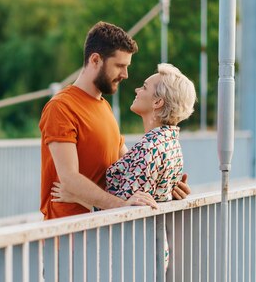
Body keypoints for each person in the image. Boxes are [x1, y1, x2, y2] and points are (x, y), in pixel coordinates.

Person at [39, 21, 190, 220]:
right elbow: (69, 180)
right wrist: (121, 206)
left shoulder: (104, 107)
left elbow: (130, 165)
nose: (125, 75)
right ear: (95, 60)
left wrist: (169, 185)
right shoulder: (61, 107)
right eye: (120, 66)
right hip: (70, 235)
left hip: (102, 233)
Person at [52, 63, 197, 211]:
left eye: (144, 87)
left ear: (158, 102)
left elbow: (125, 210)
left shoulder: (148, 149)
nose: (137, 90)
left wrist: (76, 197)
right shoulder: (171, 145)